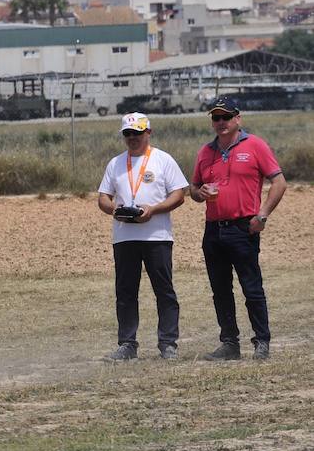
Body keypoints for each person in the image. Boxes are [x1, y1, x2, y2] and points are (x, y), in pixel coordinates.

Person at [189, 96, 287, 361]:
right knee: (220, 290)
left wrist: (262, 215)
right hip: (213, 230)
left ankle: (262, 341)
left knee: (251, 287)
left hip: (244, 228)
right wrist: (201, 193)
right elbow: (193, 189)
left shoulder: (254, 145)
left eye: (226, 117)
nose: (220, 122)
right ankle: (229, 343)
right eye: (216, 118)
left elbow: (279, 182)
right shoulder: (205, 152)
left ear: (237, 119)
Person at [98, 113, 188, 361]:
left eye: (137, 133)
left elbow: (179, 194)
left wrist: (154, 210)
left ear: (149, 132)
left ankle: (168, 343)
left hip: (157, 235)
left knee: (164, 291)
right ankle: (127, 344)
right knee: (126, 292)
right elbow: (103, 197)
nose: (132, 138)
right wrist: (114, 210)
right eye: (127, 134)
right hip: (125, 237)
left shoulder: (163, 160)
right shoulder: (115, 163)